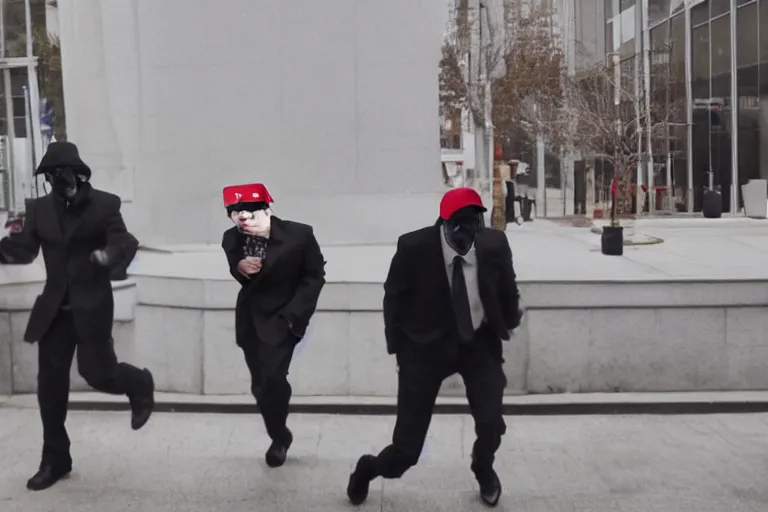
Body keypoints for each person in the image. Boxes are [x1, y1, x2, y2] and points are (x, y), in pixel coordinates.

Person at [346, 187, 521, 508]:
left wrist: (509, 319)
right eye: (458, 224)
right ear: (443, 223)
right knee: (406, 452)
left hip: (478, 345)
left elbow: (508, 288)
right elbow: (393, 297)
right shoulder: (414, 247)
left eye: (473, 223)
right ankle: (367, 469)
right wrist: (398, 347)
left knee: (492, 421)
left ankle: (483, 467)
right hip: (424, 350)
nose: (466, 232)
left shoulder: (494, 245)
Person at [0, 142, 155, 491]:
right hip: (55, 310)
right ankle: (55, 459)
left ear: (78, 174)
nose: (56, 180)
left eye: (61, 174)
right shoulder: (39, 209)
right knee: (50, 388)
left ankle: (138, 383)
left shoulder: (104, 204)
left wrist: (108, 256)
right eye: (50, 176)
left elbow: (125, 241)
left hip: (91, 307)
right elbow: (24, 250)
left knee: (97, 374)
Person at [221, 183, 325, 468]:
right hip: (250, 320)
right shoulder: (231, 239)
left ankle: (279, 441)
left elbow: (315, 276)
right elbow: (235, 266)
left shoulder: (299, 235)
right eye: (236, 213)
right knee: (259, 386)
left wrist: (293, 314)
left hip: (284, 318)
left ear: (267, 209)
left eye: (251, 212)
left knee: (273, 379)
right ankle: (279, 433)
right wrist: (239, 267)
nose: (244, 218)